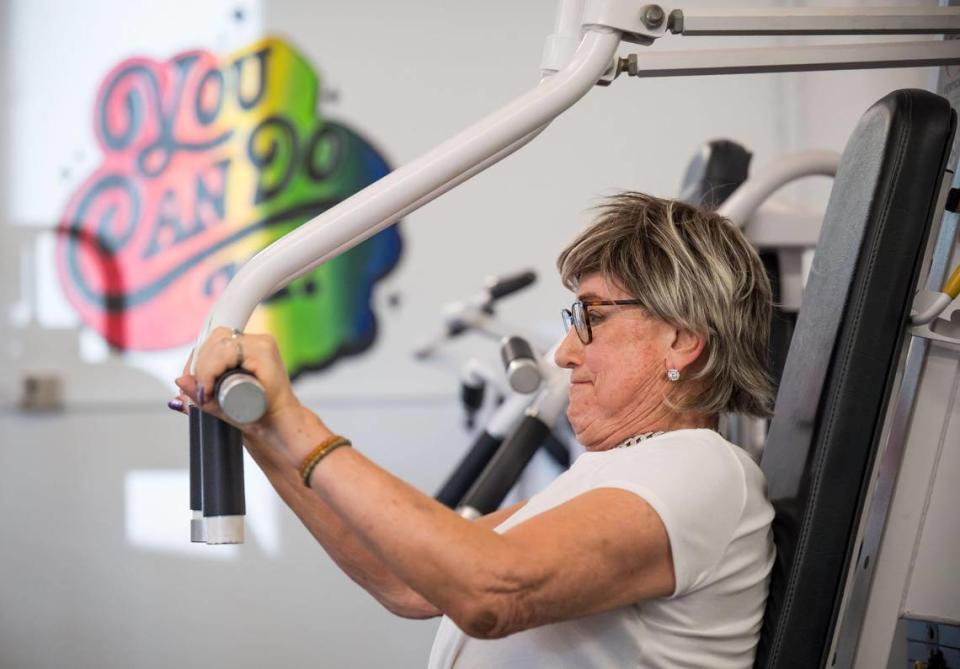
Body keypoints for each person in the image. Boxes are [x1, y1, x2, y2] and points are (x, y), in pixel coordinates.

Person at [172, 191, 776, 668]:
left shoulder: (699, 467)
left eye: (590, 317)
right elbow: (405, 583)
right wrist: (264, 431)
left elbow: (494, 593)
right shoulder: (623, 470)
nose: (565, 352)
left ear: (683, 339)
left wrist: (296, 423)